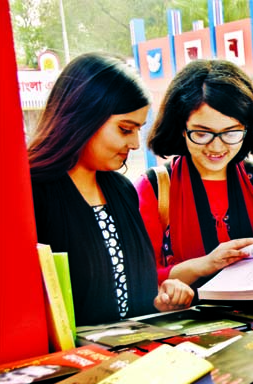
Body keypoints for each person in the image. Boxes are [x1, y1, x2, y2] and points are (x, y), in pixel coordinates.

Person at [29, 53, 193, 327]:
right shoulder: (33, 194)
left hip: (136, 354)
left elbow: (134, 295)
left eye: (137, 130)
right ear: (84, 116)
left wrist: (161, 303)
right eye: (125, 129)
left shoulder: (121, 190)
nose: (135, 144)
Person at [137, 60, 253, 288]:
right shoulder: (155, 187)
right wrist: (203, 265)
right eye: (202, 134)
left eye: (231, 133)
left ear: (247, 129)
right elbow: (142, 278)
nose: (217, 147)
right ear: (181, 128)